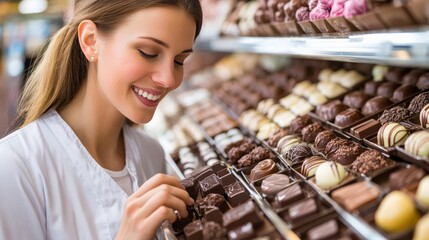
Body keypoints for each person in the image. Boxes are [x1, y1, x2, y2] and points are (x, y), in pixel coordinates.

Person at [0, 0, 202, 239]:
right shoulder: (15, 166)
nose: (168, 79)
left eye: (179, 60)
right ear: (90, 41)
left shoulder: (152, 155)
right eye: (149, 53)